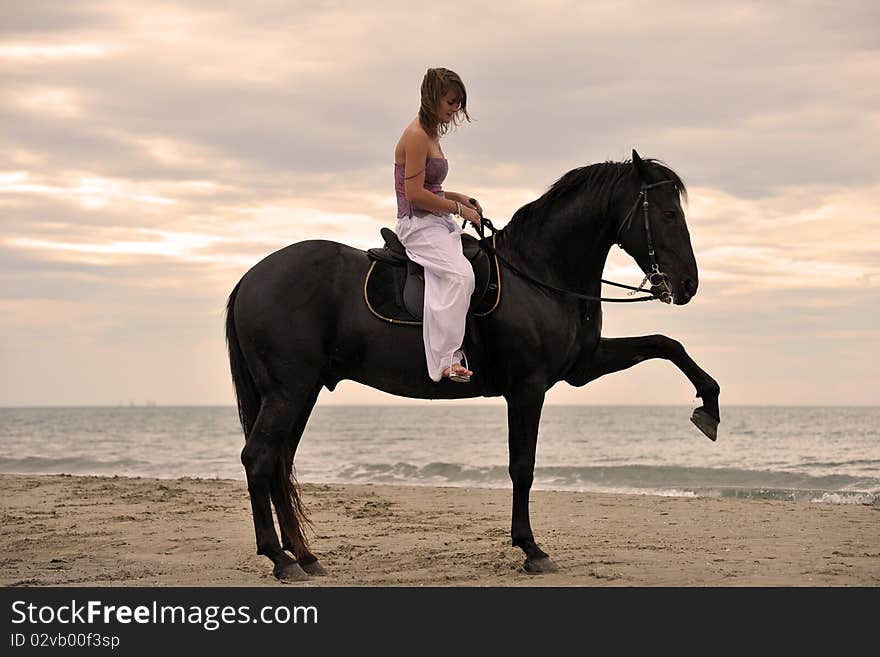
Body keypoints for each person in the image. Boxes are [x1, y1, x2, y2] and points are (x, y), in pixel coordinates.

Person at [394, 67, 483, 383]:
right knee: (459, 277)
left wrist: (460, 198)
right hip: (417, 224)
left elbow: (431, 188)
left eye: (458, 102)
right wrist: (458, 208)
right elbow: (416, 196)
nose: (455, 109)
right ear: (432, 99)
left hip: (435, 219)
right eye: (451, 102)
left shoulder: (431, 134)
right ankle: (447, 361)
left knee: (470, 272)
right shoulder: (417, 136)